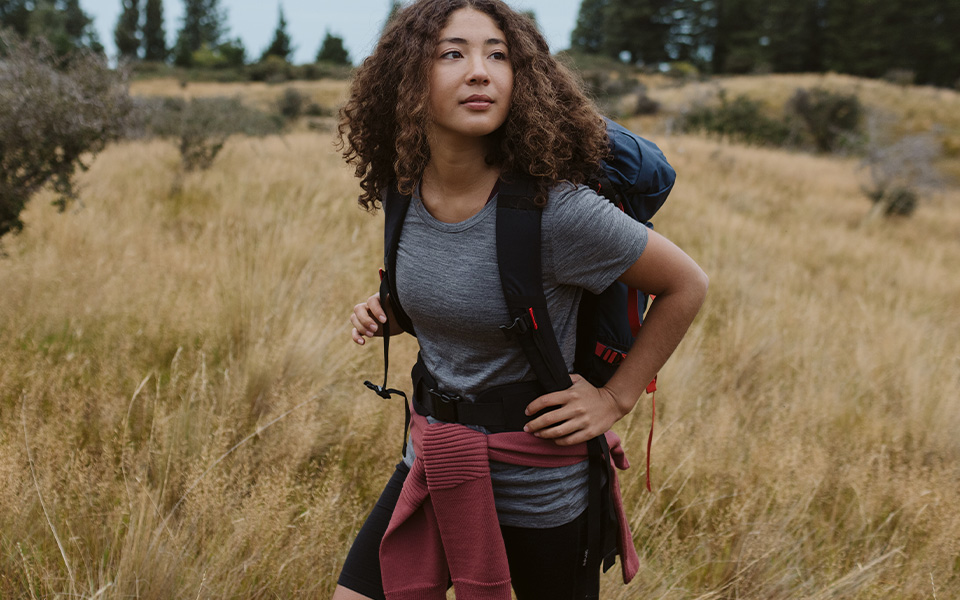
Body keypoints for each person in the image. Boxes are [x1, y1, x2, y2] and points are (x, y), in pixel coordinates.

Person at [334, 1, 708, 598]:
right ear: (407, 79)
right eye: (452, 53)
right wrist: (391, 311)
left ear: (522, 79)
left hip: (539, 490)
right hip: (433, 457)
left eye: (498, 55)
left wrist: (616, 397)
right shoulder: (404, 186)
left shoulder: (556, 212)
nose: (479, 71)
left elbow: (688, 284)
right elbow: (469, 291)